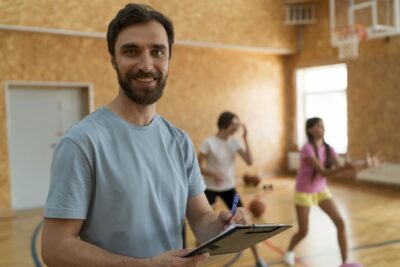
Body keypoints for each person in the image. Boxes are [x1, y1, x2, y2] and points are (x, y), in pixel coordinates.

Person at [41, 4, 249, 267]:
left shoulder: (180, 142)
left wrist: (221, 227)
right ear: (113, 59)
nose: (146, 65)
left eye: (157, 51)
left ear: (169, 58)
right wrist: (145, 265)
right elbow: (55, 248)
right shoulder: (82, 142)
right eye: (131, 51)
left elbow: (200, 220)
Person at [283, 117, 380, 267]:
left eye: (323, 126)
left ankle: (344, 263)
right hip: (304, 192)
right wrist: (345, 168)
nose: (323, 129)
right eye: (319, 126)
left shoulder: (329, 149)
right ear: (310, 130)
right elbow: (323, 172)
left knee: (340, 222)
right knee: (303, 231)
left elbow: (344, 174)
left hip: (321, 190)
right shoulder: (307, 149)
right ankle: (289, 251)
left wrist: (365, 166)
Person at [198, 111, 268, 267]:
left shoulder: (235, 142)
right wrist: (212, 173)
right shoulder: (208, 142)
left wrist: (245, 137)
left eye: (237, 124)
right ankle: (198, 256)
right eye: (234, 124)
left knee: (245, 221)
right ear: (224, 124)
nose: (236, 128)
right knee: (202, 221)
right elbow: (197, 166)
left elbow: (250, 161)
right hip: (210, 188)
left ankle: (258, 259)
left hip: (229, 189)